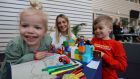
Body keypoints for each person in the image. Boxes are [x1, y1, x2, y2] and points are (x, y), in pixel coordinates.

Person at [0, 1, 52, 79]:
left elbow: (46, 51)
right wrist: (33, 56)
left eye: (37, 27)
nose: (30, 31)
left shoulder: (47, 41)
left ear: (45, 31)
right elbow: (12, 65)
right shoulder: (15, 45)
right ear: (19, 26)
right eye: (25, 25)